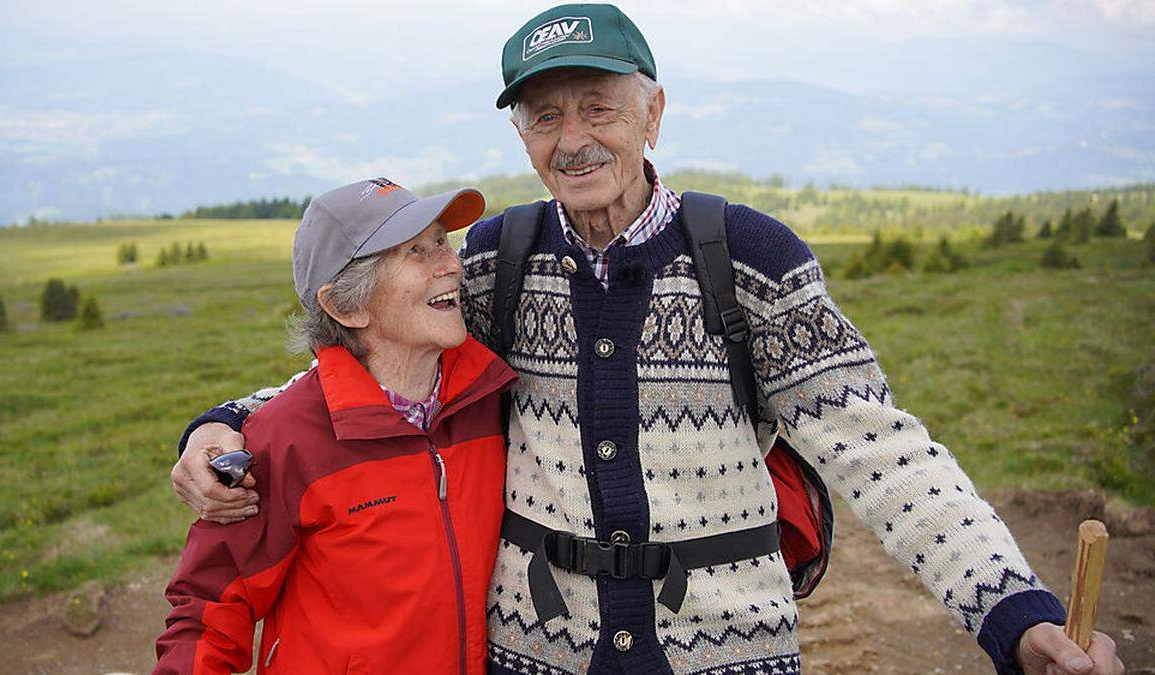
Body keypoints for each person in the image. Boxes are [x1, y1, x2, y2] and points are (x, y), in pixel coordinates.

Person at [170, 5, 1124, 674]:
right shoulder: (502, 257)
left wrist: (1012, 611)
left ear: (652, 111)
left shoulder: (746, 255)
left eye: (598, 107)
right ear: (522, 135)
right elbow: (382, 371)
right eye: (545, 115)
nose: (572, 138)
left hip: (730, 654)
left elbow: (881, 448)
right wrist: (225, 425)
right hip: (536, 654)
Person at [155, 179, 517, 674]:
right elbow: (207, 608)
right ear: (347, 305)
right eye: (416, 251)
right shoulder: (284, 440)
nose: (452, 265)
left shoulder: (488, 397)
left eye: (441, 241)